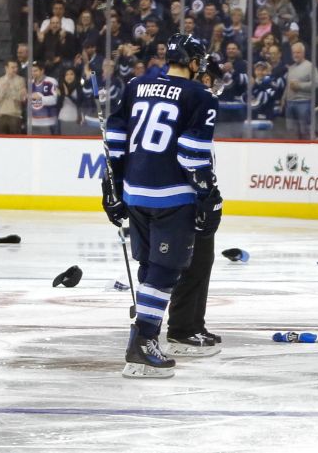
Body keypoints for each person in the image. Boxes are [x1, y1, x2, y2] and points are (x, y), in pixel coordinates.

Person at [101, 33, 221, 378]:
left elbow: (116, 139)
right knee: (166, 270)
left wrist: (111, 186)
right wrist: (207, 195)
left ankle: (144, 335)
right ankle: (143, 341)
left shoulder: (137, 84)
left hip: (135, 192)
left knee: (150, 267)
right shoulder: (201, 96)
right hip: (171, 194)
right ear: (195, 63)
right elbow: (191, 152)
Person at [166, 54, 226, 353]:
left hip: (197, 197)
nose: (216, 88)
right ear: (203, 79)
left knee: (203, 261)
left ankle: (194, 323)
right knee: (191, 264)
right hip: (187, 199)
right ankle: (180, 328)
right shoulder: (192, 108)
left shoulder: (195, 108)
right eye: (213, 81)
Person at [282, 42, 318, 139]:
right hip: (290, 103)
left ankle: (308, 151)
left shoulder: (310, 66)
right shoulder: (291, 68)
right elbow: (288, 85)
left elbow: (316, 84)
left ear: (303, 53)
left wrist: (299, 86)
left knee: (305, 131)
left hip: (304, 103)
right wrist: (284, 98)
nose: (295, 55)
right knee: (291, 131)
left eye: (298, 52)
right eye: (294, 52)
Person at [0, 60, 27, 134]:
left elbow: (22, 98)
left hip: (15, 115)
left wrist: (11, 90)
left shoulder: (21, 80)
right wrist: (3, 92)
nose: (15, 69)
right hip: (2, 115)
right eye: (13, 67)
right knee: (1, 141)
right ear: (6, 68)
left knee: (15, 142)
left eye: (16, 67)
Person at [28, 61, 60, 135]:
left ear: (42, 70)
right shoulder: (30, 83)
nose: (33, 73)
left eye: (35, 71)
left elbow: (55, 100)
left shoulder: (51, 81)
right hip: (33, 122)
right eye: (32, 71)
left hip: (48, 122)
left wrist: (40, 98)